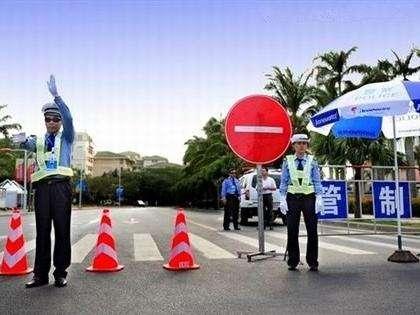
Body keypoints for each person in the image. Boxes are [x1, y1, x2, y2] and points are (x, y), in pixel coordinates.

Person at [17, 75, 75, 288]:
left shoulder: (67, 136)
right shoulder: (39, 140)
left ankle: (60, 272)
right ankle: (40, 275)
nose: (51, 122)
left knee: (61, 230)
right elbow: (24, 144)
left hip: (61, 188)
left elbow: (69, 119)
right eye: (48, 119)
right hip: (42, 189)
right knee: (42, 232)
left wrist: (57, 97)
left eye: (55, 119)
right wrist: (20, 140)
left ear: (60, 122)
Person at [279, 134, 324, 272]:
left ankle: (312, 261)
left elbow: (316, 180)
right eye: (298, 143)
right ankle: (293, 260)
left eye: (304, 143)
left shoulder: (312, 160)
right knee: (292, 230)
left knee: (312, 230)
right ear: (293, 145)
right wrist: (282, 197)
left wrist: (319, 196)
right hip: (292, 198)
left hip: (309, 198)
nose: (301, 146)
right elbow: (284, 181)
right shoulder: (288, 160)